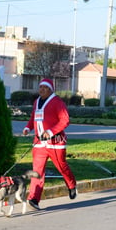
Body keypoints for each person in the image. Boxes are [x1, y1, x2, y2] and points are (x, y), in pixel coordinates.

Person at [22, 78, 77, 210]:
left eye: (45, 87)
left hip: (55, 143)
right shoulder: (36, 102)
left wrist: (51, 131)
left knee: (62, 167)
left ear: (50, 89)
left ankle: (71, 185)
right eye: (40, 87)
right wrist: (28, 128)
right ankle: (34, 199)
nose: (41, 89)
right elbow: (33, 118)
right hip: (39, 143)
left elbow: (65, 120)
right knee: (37, 171)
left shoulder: (57, 102)